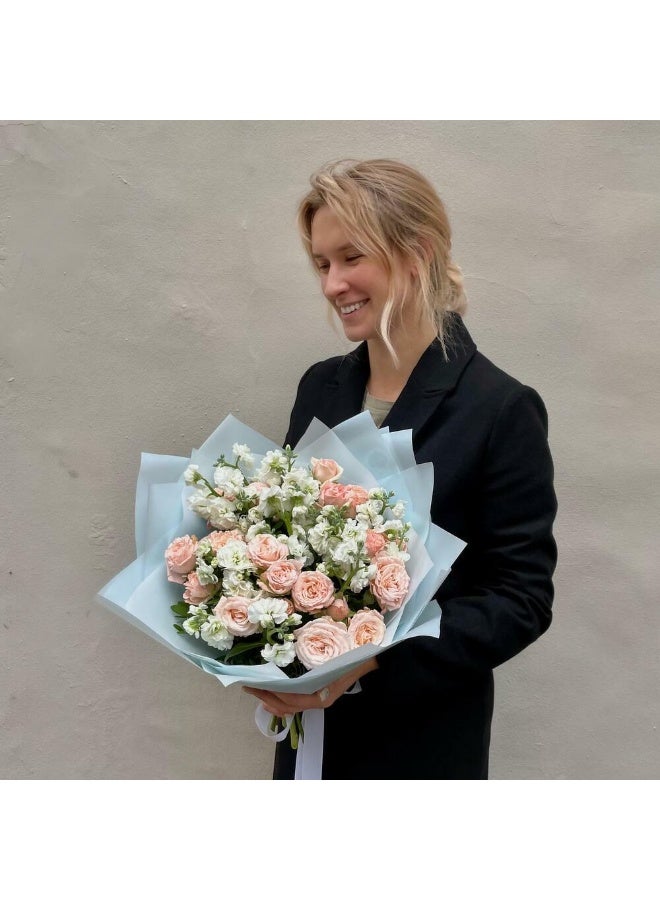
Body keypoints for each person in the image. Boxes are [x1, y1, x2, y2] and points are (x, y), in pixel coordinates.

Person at [244, 158, 557, 779]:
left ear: (416, 253)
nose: (333, 284)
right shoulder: (321, 387)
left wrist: (373, 659)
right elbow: (280, 539)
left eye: (351, 257)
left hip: (423, 742)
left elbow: (521, 597)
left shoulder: (499, 407)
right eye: (322, 264)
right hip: (309, 738)